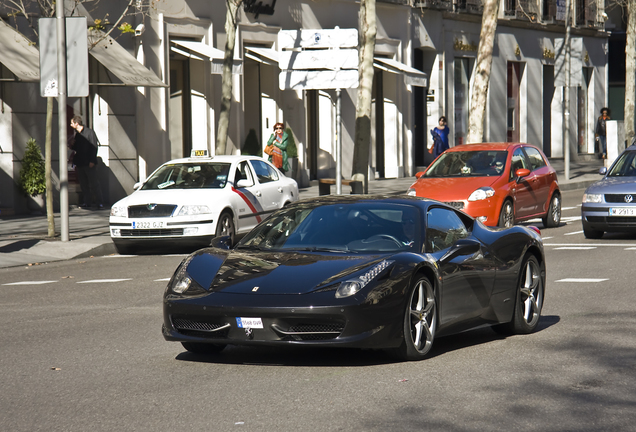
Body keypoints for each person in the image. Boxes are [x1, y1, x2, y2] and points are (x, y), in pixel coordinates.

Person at [70, 115, 104, 209]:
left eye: (72, 123)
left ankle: (99, 202)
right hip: (80, 162)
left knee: (94, 183)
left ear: (77, 123)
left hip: (89, 162)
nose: (70, 125)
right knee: (83, 184)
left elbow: (94, 147)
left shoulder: (89, 133)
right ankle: (87, 202)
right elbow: (77, 148)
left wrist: (92, 160)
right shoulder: (77, 135)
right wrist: (72, 145)